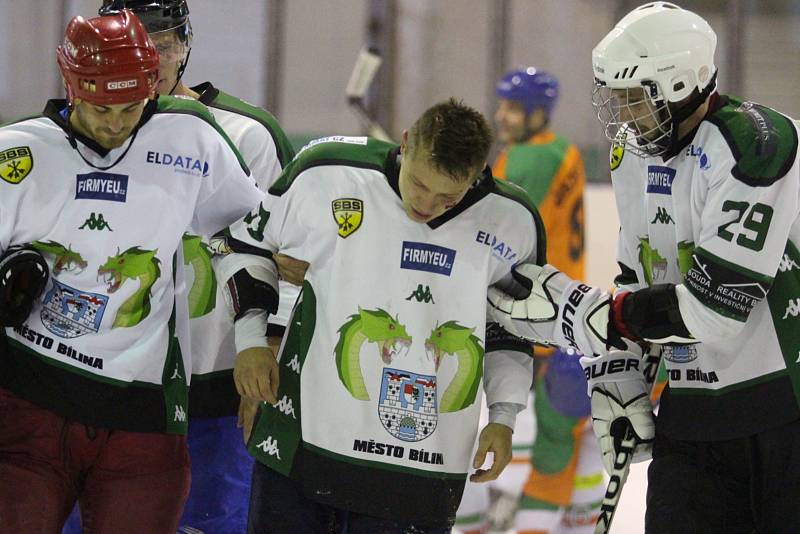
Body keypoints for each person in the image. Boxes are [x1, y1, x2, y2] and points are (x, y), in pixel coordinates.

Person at [489, 2, 800, 533]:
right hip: (692, 411)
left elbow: (716, 307)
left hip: (782, 413)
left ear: (681, 85)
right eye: (617, 98)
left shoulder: (754, 145)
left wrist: (584, 315)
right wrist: (621, 375)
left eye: (634, 98)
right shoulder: (633, 156)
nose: (622, 113)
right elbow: (637, 280)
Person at [213, 98, 546, 532]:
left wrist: (503, 418)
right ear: (405, 144)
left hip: (419, 473)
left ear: (480, 171)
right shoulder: (327, 173)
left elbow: (511, 328)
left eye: (449, 196)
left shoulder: (512, 221)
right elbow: (241, 247)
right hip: (301, 449)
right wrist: (253, 341)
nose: (427, 205)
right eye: (419, 185)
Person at [0, 10, 263, 533]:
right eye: (101, 108)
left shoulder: (192, 143)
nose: (117, 124)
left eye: (131, 106)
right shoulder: (16, 155)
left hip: (142, 412)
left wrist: (257, 334)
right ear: (72, 86)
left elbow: (251, 235)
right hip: (29, 403)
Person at [61, 3, 297, 533]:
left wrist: (270, 352)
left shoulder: (248, 134)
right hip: (105, 385)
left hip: (216, 387)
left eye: (162, 45)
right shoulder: (79, 129)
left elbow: (285, 258)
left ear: (187, 45)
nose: (148, 59)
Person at [456, 68, 601, 534]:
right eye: (501, 106)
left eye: (513, 109)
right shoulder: (565, 149)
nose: (502, 116)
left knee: (533, 424)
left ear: (539, 112)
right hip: (564, 307)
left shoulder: (527, 161)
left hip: (527, 310)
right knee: (567, 433)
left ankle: (510, 517)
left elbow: (494, 225)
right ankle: (571, 522)